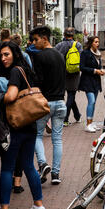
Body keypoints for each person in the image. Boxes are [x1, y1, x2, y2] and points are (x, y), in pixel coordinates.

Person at [0, 41, 46, 209]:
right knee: (29, 166)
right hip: (30, 126)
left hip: (15, 127)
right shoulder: (26, 71)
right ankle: (39, 208)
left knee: (7, 168)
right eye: (1, 55)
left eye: (6, 54)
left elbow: (11, 96)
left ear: (15, 54)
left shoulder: (15, 71)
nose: (3, 58)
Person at [31, 26, 67, 185]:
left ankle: (43, 164)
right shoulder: (60, 56)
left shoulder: (39, 57)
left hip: (45, 102)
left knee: (37, 135)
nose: (33, 43)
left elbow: (37, 81)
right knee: (57, 139)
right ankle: (56, 174)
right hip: (60, 102)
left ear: (44, 38)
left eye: (35, 39)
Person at [55, 27, 83, 126]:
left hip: (63, 73)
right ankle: (65, 119)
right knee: (71, 95)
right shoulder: (78, 45)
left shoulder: (59, 45)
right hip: (74, 73)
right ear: (73, 35)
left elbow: (55, 58)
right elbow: (81, 58)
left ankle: (77, 115)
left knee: (71, 96)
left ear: (64, 34)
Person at [78, 36, 105, 133]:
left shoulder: (98, 54)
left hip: (96, 81)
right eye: (96, 42)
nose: (97, 44)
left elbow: (99, 65)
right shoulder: (85, 53)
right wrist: (95, 71)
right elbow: (81, 67)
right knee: (92, 101)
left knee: (94, 103)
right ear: (91, 43)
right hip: (87, 81)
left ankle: (91, 122)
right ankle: (88, 124)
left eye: (98, 42)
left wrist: (101, 70)